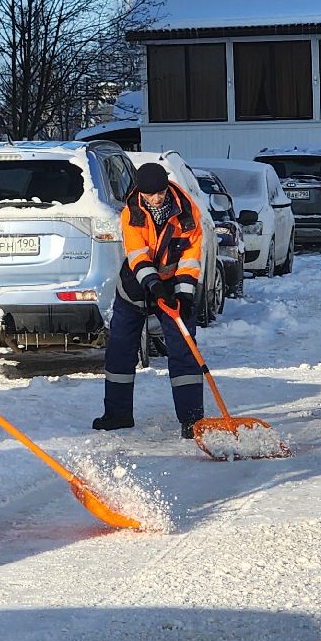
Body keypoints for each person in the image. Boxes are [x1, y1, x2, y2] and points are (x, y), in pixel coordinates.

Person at [93, 162, 206, 439]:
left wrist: (185, 294)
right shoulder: (131, 213)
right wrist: (154, 286)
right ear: (141, 193)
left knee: (183, 349)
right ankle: (118, 414)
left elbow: (190, 258)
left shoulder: (188, 213)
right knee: (120, 347)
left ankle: (192, 420)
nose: (155, 198)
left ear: (166, 187)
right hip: (136, 285)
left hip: (175, 285)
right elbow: (137, 256)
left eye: (159, 192)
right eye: (149, 194)